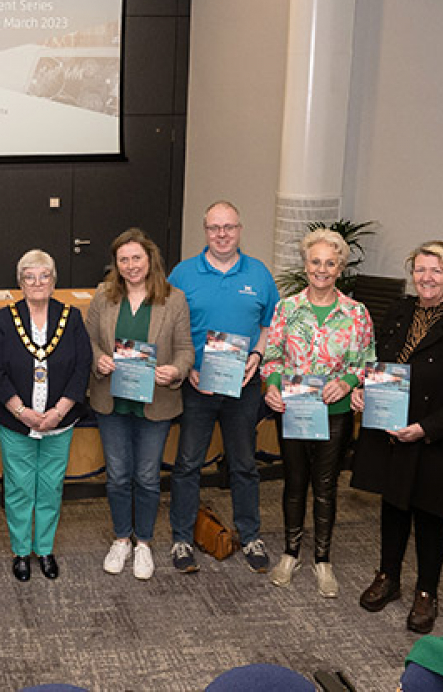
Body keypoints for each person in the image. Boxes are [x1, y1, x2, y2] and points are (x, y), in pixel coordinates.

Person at [351, 241, 443, 634]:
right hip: (393, 431)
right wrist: (365, 389)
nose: (427, 278)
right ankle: (388, 577)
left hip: (436, 438)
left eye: (437, 271)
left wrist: (426, 429)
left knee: (430, 516)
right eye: (421, 269)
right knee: (393, 507)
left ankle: (427, 592)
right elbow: (379, 364)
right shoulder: (398, 312)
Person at [168, 201, 280, 574]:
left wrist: (258, 356)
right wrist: (186, 370)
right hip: (196, 385)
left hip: (243, 385)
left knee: (245, 463)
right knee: (187, 464)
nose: (222, 234)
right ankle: (182, 538)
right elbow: (168, 329)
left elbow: (270, 324)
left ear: (240, 229)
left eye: (229, 227)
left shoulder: (260, 274)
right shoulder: (183, 275)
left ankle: (250, 535)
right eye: (215, 227)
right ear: (205, 231)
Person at [262, 229, 374, 597]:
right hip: (293, 409)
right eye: (315, 262)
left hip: (336, 412)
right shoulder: (287, 308)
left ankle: (323, 561)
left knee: (325, 487)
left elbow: (365, 362)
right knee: (294, 484)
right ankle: (290, 554)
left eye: (330, 263)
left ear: (339, 268)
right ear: (305, 265)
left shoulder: (356, 313)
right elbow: (273, 354)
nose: (322, 269)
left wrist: (345, 382)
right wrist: (273, 385)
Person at [86, 228, 193, 580]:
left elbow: (185, 350)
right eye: (123, 259)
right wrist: (99, 359)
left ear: (150, 260)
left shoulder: (173, 299)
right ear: (115, 264)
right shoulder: (104, 296)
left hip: (155, 403)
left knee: (147, 477)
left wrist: (175, 371)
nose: (131, 265)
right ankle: (121, 539)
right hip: (113, 401)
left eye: (137, 258)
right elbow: (87, 341)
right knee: (117, 476)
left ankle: (143, 543)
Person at [0, 249, 91, 581]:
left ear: (54, 280)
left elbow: (82, 367)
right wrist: (21, 411)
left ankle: (44, 549)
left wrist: (59, 411)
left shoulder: (71, 317)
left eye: (44, 276)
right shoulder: (4, 319)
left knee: (49, 487)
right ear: (20, 282)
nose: (37, 282)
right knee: (18, 488)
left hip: (60, 422)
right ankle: (20, 551)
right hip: (17, 422)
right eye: (29, 276)